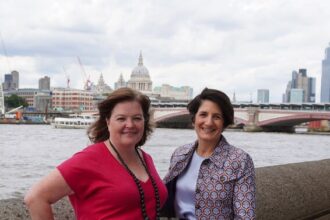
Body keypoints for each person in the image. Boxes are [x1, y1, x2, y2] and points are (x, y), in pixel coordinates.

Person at [24, 87, 168, 220]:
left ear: (144, 121)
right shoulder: (89, 159)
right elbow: (36, 197)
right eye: (121, 118)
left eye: (137, 118)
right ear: (107, 121)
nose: (130, 125)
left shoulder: (145, 158)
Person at [161, 88, 256, 219]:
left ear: (224, 123)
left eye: (216, 117)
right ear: (194, 119)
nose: (209, 122)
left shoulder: (240, 161)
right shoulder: (180, 154)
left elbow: (245, 216)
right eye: (203, 114)